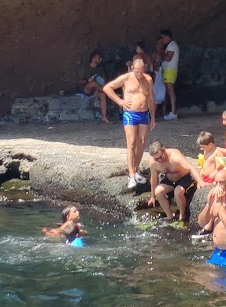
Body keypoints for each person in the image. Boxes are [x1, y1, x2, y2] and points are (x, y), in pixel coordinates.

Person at [103, 55, 156, 191]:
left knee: (142, 141)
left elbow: (150, 98)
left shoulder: (148, 79)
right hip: (130, 114)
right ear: (132, 68)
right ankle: (131, 174)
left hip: (144, 114)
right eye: (137, 71)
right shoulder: (126, 78)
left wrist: (153, 117)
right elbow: (107, 88)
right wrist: (120, 101)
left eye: (142, 71)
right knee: (131, 142)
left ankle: (136, 170)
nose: (139, 74)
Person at [146, 140, 199, 226]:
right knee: (158, 191)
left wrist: (200, 182)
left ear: (164, 149)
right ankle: (169, 216)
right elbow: (154, 179)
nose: (160, 160)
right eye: (156, 159)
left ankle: (182, 217)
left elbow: (190, 168)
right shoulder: (153, 162)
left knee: (178, 192)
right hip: (170, 180)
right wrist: (152, 196)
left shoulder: (175, 156)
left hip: (184, 178)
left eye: (161, 157)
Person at [74, 50, 110, 122]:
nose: (101, 60)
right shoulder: (85, 68)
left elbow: (104, 82)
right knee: (93, 83)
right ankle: (109, 92)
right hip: (86, 90)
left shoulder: (100, 68)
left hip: (98, 90)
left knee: (103, 95)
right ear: (93, 59)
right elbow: (79, 81)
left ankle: (104, 117)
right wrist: (87, 81)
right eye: (99, 58)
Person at [157, 29, 182, 120]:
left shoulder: (172, 45)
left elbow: (167, 58)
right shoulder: (170, 46)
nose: (162, 39)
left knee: (170, 91)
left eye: (163, 37)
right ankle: (172, 112)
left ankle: (174, 112)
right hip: (168, 70)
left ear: (168, 36)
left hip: (170, 70)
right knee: (169, 91)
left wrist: (160, 49)